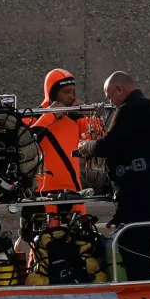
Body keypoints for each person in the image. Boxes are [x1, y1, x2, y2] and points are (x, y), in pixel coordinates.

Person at [75, 71, 150, 281]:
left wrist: (86, 146)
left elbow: (110, 145)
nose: (110, 103)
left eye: (109, 97)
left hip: (137, 191)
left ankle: (145, 292)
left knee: (131, 246)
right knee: (142, 243)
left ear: (119, 89)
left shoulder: (128, 110)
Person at [30, 68, 98, 204]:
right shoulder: (32, 117)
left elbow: (99, 141)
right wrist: (50, 115)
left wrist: (89, 115)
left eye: (73, 92)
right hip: (39, 195)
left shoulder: (75, 119)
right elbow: (28, 142)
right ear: (53, 94)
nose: (72, 97)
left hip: (74, 193)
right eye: (66, 92)